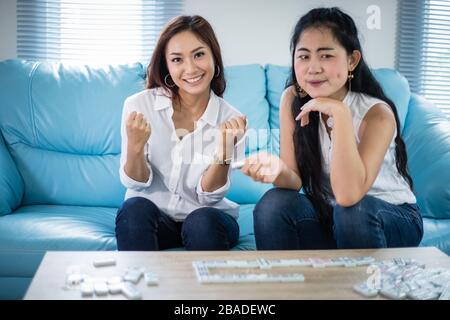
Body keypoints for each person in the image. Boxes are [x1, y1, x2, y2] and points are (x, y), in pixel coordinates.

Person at [241, 7, 423, 250]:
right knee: (273, 204)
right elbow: (293, 182)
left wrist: (340, 114)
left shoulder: (377, 114)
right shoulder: (291, 100)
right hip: (334, 214)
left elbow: (349, 196)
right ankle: (283, 286)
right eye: (304, 56)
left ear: (352, 61)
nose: (313, 68)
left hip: (391, 216)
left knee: (352, 212)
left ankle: (358, 288)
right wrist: (277, 170)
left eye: (326, 56)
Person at [115, 15, 247, 251]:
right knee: (133, 209)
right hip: (156, 220)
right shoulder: (138, 106)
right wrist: (135, 147)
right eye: (177, 59)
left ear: (214, 56)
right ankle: (140, 286)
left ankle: (202, 288)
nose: (190, 68)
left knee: (201, 222)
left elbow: (209, 198)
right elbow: (135, 183)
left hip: (209, 220)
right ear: (166, 65)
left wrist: (224, 151)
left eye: (199, 54)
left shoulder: (231, 120)